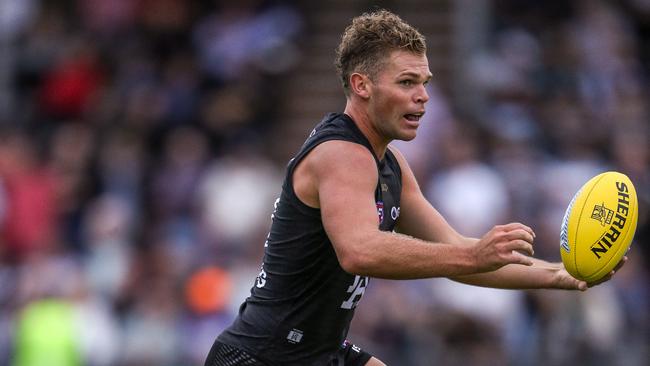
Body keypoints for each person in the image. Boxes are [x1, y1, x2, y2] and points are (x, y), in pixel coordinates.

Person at [204, 9, 626, 366]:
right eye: (407, 82)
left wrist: (561, 274)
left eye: (424, 82)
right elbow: (360, 251)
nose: (423, 96)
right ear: (361, 85)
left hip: (315, 351)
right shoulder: (341, 154)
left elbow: (458, 251)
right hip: (262, 355)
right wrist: (469, 254)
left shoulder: (391, 166)